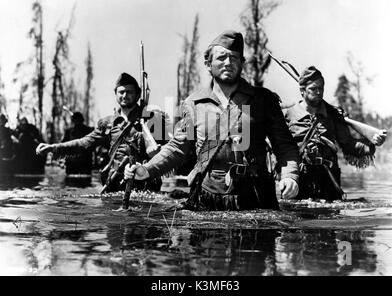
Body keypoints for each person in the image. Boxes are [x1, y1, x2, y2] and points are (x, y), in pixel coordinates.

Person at [125, 30, 300, 211]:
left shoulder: (263, 100)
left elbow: (285, 145)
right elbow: (177, 148)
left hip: (255, 196)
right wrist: (147, 169)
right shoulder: (194, 104)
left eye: (234, 58)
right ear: (208, 65)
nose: (228, 62)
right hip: (207, 197)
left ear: (242, 63)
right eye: (221, 57)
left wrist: (290, 176)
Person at [36, 72, 162, 193]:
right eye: (121, 92)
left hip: (145, 184)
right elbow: (83, 143)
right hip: (116, 184)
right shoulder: (107, 124)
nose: (124, 95)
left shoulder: (152, 120)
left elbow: (172, 151)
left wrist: (155, 155)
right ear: (116, 94)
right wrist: (53, 147)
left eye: (129, 92)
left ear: (138, 94)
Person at [284, 66, 387, 201]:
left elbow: (348, 144)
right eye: (313, 89)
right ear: (302, 91)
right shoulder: (288, 115)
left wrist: (372, 142)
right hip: (299, 181)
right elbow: (281, 150)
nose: (319, 92)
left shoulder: (333, 115)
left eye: (321, 88)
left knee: (331, 219)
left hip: (329, 180)